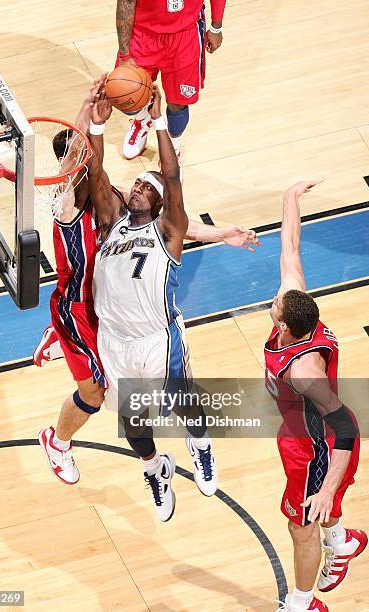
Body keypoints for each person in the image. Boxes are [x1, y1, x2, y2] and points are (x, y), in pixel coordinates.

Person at [37, 76, 260, 500]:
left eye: (145, 188)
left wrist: (216, 233)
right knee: (117, 407)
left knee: (171, 397)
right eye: (137, 184)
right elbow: (87, 165)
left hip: (136, 327)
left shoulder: (136, 214)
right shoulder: (80, 204)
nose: (136, 187)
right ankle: (142, 464)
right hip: (91, 318)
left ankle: (199, 443)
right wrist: (94, 121)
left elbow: (171, 205)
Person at [264, 180, 367, 612]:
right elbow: (291, 250)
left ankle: (302, 604)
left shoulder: (305, 371)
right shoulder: (299, 308)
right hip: (304, 433)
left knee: (301, 526)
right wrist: (289, 198)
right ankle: (340, 543)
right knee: (318, 516)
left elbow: (344, 426)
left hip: (316, 449)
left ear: (285, 325)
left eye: (276, 306)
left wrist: (325, 488)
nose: (274, 300)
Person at [116, 0, 226, 166]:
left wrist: (216, 26)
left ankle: (173, 147)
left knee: (178, 104)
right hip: (143, 33)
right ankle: (142, 119)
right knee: (127, 95)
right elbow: (126, 2)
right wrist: (124, 55)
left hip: (184, 34)